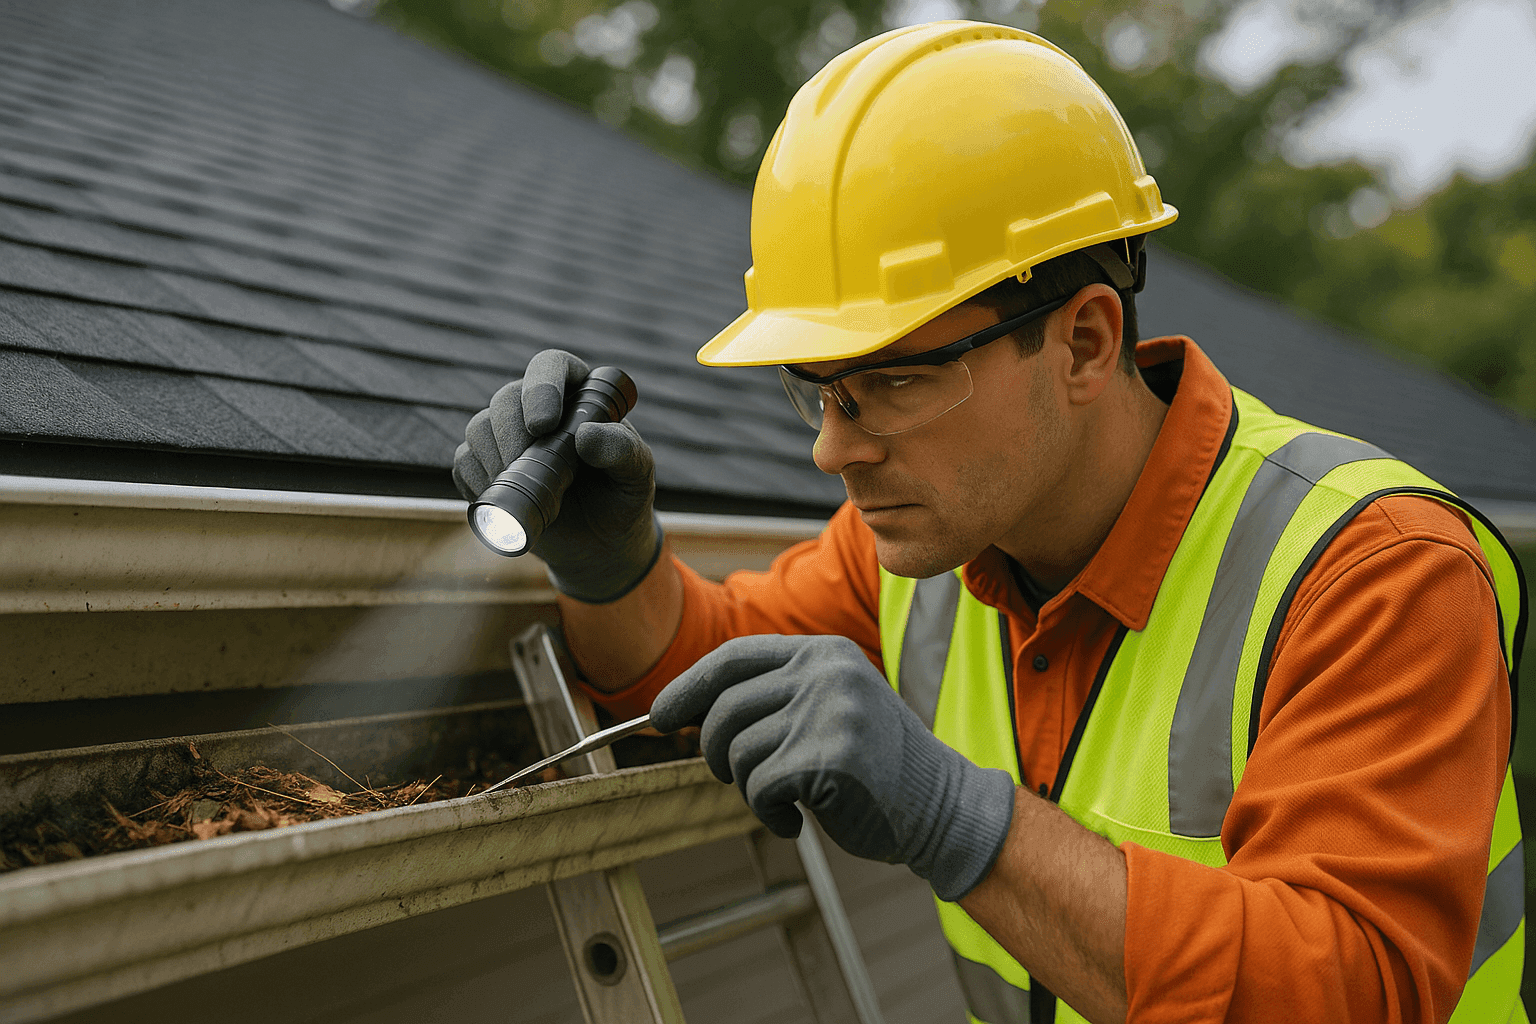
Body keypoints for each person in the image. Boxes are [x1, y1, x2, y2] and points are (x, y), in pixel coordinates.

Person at [454, 21, 1526, 1024]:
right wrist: (610, 567)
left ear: (1085, 343)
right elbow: (698, 684)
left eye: (892, 382)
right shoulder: (922, 553)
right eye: (818, 388)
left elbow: (1352, 988)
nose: (834, 448)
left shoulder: (1372, 569)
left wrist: (958, 819)